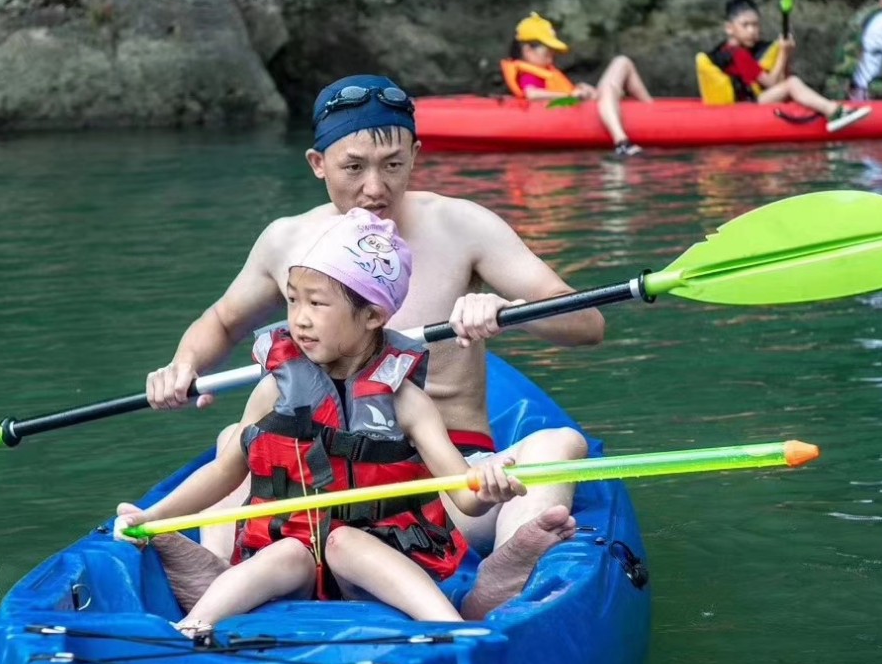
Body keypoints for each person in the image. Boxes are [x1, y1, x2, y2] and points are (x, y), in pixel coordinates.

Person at [144, 73, 596, 621]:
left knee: (558, 445)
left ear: (416, 155)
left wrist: (508, 310)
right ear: (318, 163)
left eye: (393, 165)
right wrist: (183, 364)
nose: (375, 188)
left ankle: (507, 569)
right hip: (313, 486)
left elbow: (586, 323)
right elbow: (220, 321)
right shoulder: (288, 240)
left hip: (439, 484)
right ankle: (217, 569)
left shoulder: (463, 226)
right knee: (235, 438)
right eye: (353, 167)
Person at [116, 211, 526, 635]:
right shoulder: (276, 389)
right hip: (295, 553)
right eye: (293, 300)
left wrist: (487, 486)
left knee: (343, 541)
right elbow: (225, 472)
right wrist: (154, 517)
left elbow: (465, 496)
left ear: (372, 316)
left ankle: (451, 627)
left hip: (378, 556)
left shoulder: (406, 402)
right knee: (289, 552)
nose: (300, 318)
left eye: (317, 303)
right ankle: (193, 627)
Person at [706, 0, 872, 132]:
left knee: (791, 83)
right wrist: (783, 53)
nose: (752, 31)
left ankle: (827, 108)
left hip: (749, 100)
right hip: (745, 106)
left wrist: (785, 55)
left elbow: (777, 80)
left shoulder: (731, 50)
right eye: (745, 25)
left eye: (755, 25)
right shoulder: (739, 54)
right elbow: (772, 83)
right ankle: (834, 112)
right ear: (729, 28)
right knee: (792, 84)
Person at [500, 12, 653, 154]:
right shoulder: (528, 74)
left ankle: (652, 109)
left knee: (622, 62)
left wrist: (581, 91)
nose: (552, 56)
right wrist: (571, 95)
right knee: (614, 78)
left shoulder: (543, 71)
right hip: (570, 109)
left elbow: (568, 96)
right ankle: (622, 142)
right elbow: (532, 94)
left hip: (579, 103)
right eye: (548, 51)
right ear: (528, 51)